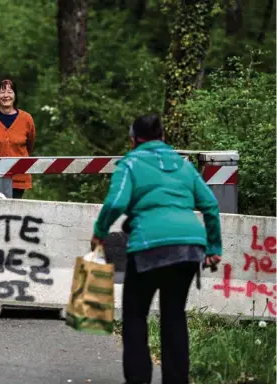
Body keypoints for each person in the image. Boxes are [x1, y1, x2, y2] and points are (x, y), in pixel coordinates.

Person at [90, 114, 222, 384]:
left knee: (135, 315)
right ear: (163, 137)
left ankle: (139, 379)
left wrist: (99, 233)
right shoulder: (183, 166)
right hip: (189, 248)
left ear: (133, 139)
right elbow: (210, 204)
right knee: (174, 315)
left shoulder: (131, 163)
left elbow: (116, 202)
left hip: (149, 246)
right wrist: (213, 246)